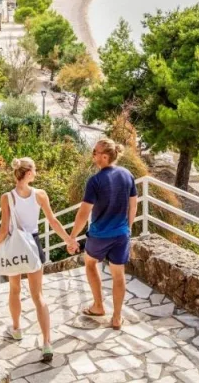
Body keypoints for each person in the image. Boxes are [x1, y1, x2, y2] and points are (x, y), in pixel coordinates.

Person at [0, 157, 77, 362]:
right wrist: (68, 240)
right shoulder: (40, 194)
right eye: (35, 170)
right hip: (33, 245)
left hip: (15, 246)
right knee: (38, 295)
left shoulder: (7, 197)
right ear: (28, 173)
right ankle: (47, 343)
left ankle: (17, 329)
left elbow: (4, 228)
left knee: (15, 289)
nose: (36, 173)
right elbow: (53, 221)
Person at [69, 138, 137, 330]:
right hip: (121, 234)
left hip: (100, 235)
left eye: (95, 152)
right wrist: (127, 227)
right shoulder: (127, 175)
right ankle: (116, 317)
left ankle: (98, 306)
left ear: (105, 157)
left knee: (90, 263)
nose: (93, 155)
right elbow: (134, 205)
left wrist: (73, 236)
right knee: (118, 274)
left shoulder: (95, 181)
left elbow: (83, 213)